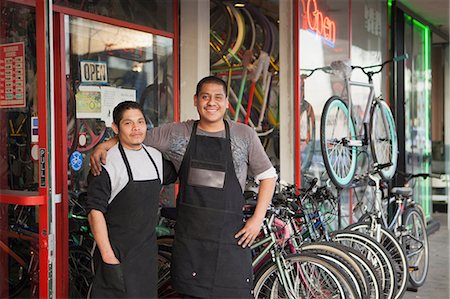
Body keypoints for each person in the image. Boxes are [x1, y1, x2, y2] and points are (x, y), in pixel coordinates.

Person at [90, 76, 277, 298]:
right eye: (205, 97)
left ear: (227, 102)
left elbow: (268, 176)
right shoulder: (177, 133)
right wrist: (106, 143)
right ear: (196, 100)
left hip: (230, 241)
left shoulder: (244, 134)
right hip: (192, 243)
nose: (211, 103)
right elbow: (136, 136)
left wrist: (257, 220)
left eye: (218, 97)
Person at [85, 101, 176, 298]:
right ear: (116, 128)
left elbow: (182, 170)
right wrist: (108, 256)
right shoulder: (107, 162)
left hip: (146, 254)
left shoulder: (156, 157)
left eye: (140, 122)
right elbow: (95, 213)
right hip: (115, 252)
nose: (136, 128)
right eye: (128, 123)